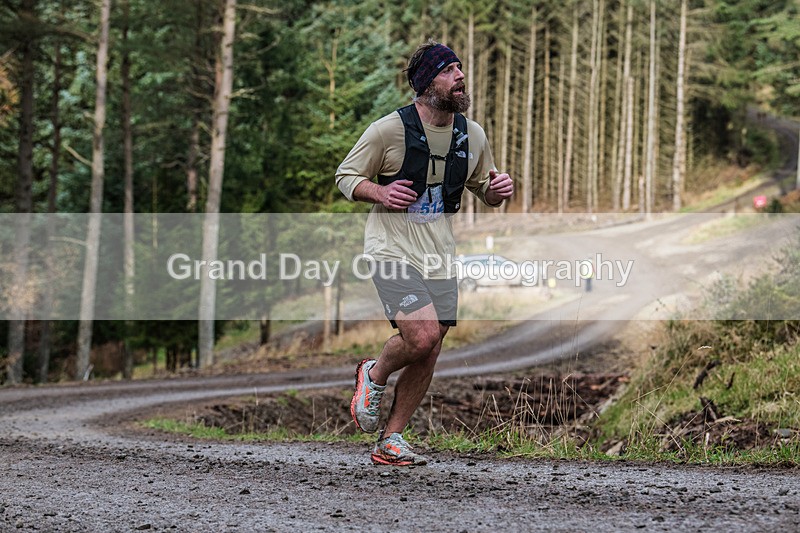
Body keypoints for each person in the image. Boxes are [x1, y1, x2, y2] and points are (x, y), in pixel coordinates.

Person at [335, 40, 514, 465]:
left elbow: (483, 188)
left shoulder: (472, 135)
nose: (460, 76)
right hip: (390, 247)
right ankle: (373, 373)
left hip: (439, 254)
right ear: (425, 82)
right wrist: (379, 189)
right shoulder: (388, 130)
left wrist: (496, 191)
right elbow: (346, 175)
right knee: (423, 335)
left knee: (430, 349)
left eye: (460, 69)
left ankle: (391, 440)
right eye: (449, 70)